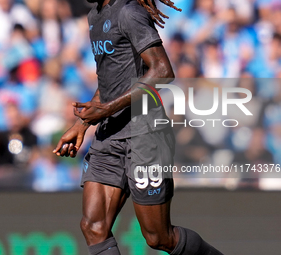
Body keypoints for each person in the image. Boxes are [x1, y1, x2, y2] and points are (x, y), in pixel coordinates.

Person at [53, 0, 223, 254]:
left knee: (158, 238)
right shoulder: (95, 16)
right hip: (110, 134)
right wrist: (83, 123)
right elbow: (111, 79)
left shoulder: (129, 12)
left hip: (145, 135)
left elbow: (163, 70)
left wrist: (108, 109)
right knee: (93, 226)